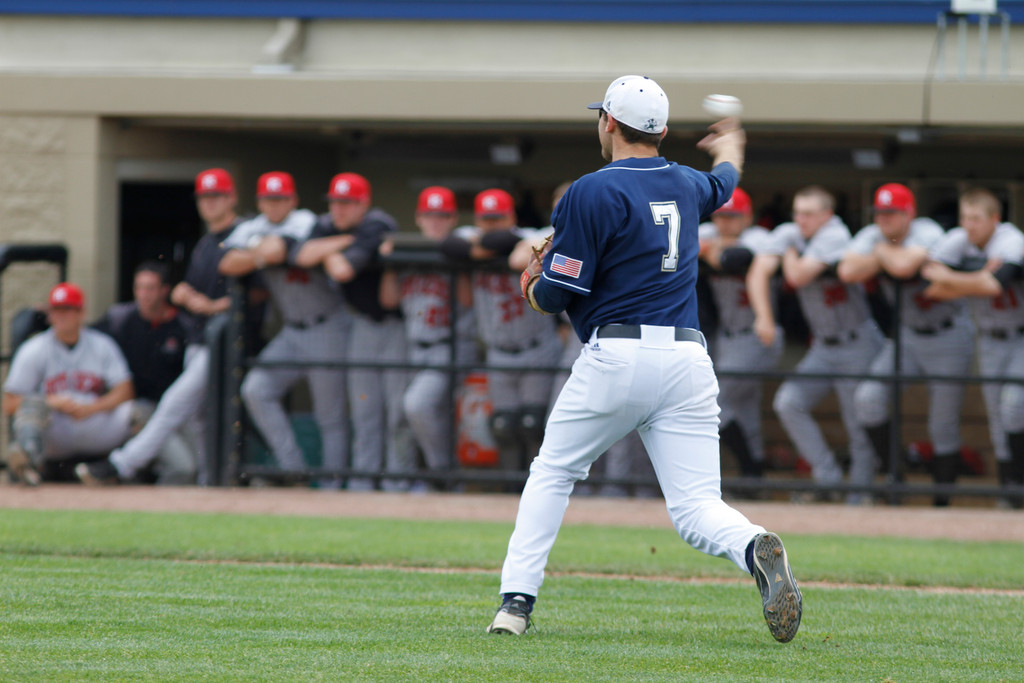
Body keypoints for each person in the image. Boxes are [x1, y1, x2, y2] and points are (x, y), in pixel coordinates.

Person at [489, 75, 801, 643]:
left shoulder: (589, 190)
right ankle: (751, 543)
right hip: (688, 359)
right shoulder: (685, 182)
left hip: (617, 354)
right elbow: (724, 183)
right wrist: (733, 146)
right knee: (697, 506)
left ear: (610, 121)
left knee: (553, 473)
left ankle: (515, 603)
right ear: (660, 129)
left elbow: (557, 295)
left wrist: (533, 286)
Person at [77, 168, 244, 487]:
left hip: (224, 339)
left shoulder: (242, 235)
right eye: (204, 197)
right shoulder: (205, 243)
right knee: (199, 418)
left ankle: (122, 465)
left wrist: (213, 306)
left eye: (217, 196)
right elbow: (192, 290)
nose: (209, 203)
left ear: (232, 197)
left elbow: (256, 295)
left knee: (175, 403)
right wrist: (186, 295)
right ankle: (211, 480)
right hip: (200, 339)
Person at [746, 186, 885, 505]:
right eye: (797, 212)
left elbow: (797, 276)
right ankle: (828, 479)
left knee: (857, 426)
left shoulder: (835, 234)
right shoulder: (791, 232)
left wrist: (788, 254)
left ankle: (859, 497)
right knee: (789, 402)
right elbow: (758, 272)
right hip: (823, 347)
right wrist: (764, 317)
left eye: (809, 214)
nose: (801, 220)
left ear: (827, 215)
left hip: (857, 342)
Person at [838, 183, 974, 505]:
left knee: (942, 425)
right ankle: (894, 476)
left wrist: (880, 253)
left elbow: (904, 267)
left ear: (909, 213)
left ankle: (943, 504)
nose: (884, 219)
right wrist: (885, 252)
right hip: (908, 336)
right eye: (880, 213)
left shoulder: (928, 231)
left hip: (948, 334)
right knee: (868, 398)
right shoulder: (873, 234)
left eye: (892, 213)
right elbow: (846, 271)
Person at [218, 171, 350, 486]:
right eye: (268, 199)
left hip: (327, 325)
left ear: (293, 200)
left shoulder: (306, 222)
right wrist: (260, 254)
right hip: (291, 331)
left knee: (329, 416)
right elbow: (226, 263)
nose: (274, 205)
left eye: (280, 199)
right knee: (256, 389)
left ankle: (333, 489)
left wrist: (255, 253)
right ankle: (294, 469)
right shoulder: (253, 227)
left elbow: (279, 250)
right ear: (259, 201)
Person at [295, 172, 410, 491]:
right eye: (335, 202)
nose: (339, 209)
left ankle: (398, 483)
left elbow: (342, 271)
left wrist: (327, 250)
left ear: (363, 204)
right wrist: (343, 242)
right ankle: (362, 484)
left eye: (347, 203)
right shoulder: (328, 225)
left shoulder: (377, 224)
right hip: (361, 324)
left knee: (396, 412)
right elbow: (302, 256)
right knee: (364, 409)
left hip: (396, 325)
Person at [442, 188, 561, 474]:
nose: (492, 226)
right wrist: (479, 250)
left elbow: (513, 244)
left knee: (533, 424)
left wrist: (489, 247)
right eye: (486, 219)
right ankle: (509, 489)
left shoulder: (530, 237)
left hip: (536, 346)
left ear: (511, 218)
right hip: (498, 351)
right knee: (502, 426)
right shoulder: (468, 237)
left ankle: (535, 484)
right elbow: (448, 244)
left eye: (498, 219)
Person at [922, 187, 1024, 508]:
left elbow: (994, 285)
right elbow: (930, 287)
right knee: (997, 418)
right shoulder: (958, 239)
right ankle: (1009, 494)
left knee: (1013, 408)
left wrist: (955, 278)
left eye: (977, 218)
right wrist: (978, 276)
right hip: (989, 339)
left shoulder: (1011, 239)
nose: (970, 225)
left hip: (1020, 337)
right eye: (965, 217)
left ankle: (1019, 485)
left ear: (995, 219)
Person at [379, 186, 477, 486]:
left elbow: (467, 300)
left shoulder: (461, 245)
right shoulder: (407, 250)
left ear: (453, 219)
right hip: (412, 346)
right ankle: (408, 480)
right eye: (429, 215)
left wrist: (455, 260)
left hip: (449, 345)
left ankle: (442, 473)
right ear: (418, 218)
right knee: (401, 414)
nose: (435, 222)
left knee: (418, 406)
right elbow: (388, 301)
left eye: (442, 216)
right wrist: (391, 263)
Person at [4, 283, 135, 485]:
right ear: (49, 314)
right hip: (56, 429)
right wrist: (51, 401)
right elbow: (9, 402)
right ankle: (28, 466)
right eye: (56, 310)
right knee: (32, 405)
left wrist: (92, 408)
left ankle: (137, 472)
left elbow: (125, 391)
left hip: (95, 423)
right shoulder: (34, 348)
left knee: (139, 412)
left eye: (67, 309)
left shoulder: (102, 345)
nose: (61, 316)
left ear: (81, 312)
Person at [698, 187, 782, 482]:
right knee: (744, 408)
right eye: (721, 217)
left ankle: (750, 469)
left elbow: (733, 259)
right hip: (727, 336)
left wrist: (712, 251)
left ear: (747, 217)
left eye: (733, 217)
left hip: (757, 334)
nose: (725, 223)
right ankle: (755, 475)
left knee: (713, 404)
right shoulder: (708, 231)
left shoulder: (760, 237)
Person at [84, 260, 193, 484]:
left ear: (165, 290)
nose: (144, 295)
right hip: (131, 410)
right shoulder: (119, 319)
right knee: (180, 465)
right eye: (139, 288)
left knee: (188, 467)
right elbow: (86, 340)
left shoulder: (184, 327)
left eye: (150, 288)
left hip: (173, 413)